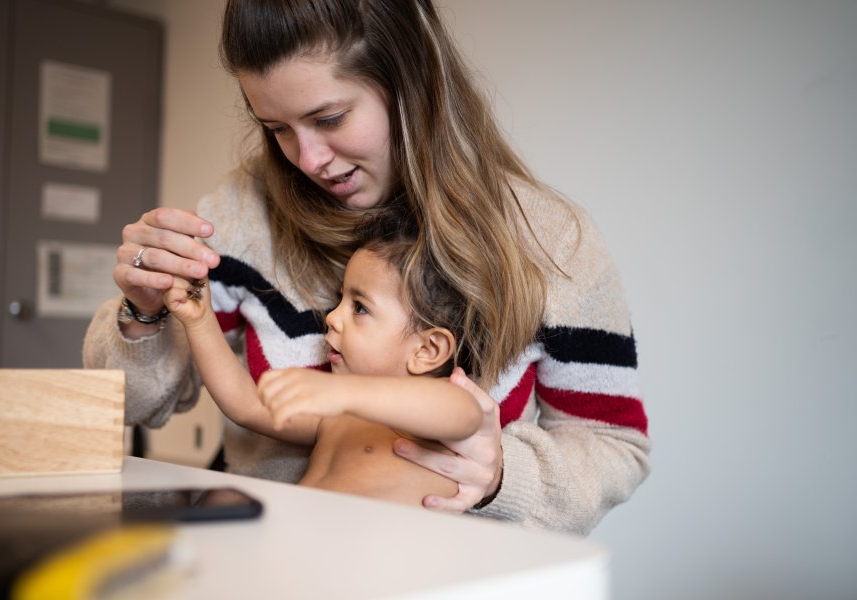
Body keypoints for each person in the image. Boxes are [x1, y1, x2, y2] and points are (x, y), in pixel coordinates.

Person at [84, 0, 650, 535]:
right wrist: (150, 310)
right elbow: (139, 406)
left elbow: (610, 446)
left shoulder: (552, 242)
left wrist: (501, 478)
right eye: (277, 129)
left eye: (329, 118)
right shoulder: (238, 217)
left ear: (409, 87)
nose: (307, 160)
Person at [163, 211, 485, 506]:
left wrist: (342, 393)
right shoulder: (335, 417)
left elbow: (466, 414)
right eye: (340, 300)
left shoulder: (436, 418)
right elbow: (246, 405)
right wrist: (200, 319)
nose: (332, 317)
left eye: (359, 307)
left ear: (427, 351)